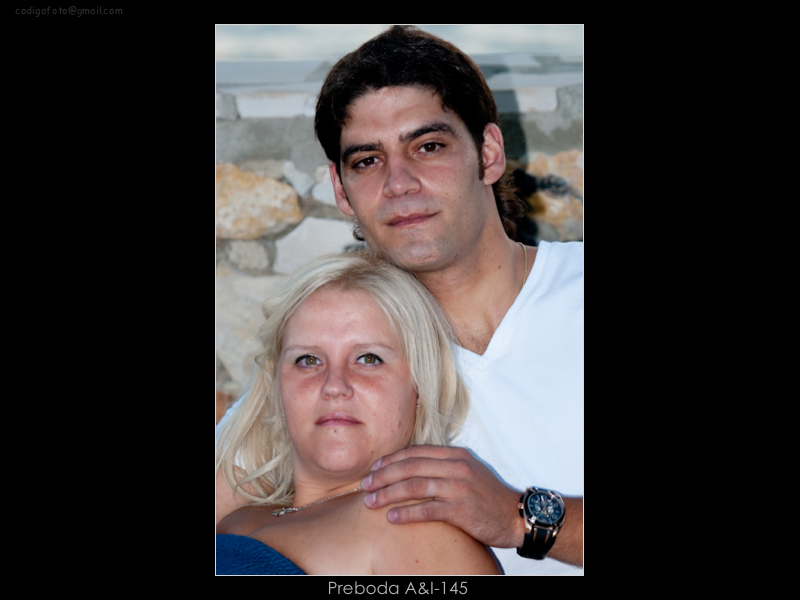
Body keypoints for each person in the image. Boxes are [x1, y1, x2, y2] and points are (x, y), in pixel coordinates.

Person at [313, 25, 583, 575]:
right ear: (341, 190)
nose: (399, 182)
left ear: (488, 154)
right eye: (367, 160)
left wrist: (519, 519)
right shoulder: (334, 350)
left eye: (428, 147)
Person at [215, 250, 502, 575]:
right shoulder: (234, 520)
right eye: (308, 360)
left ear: (419, 389)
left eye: (368, 359)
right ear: (278, 388)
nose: (334, 385)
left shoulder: (414, 527)